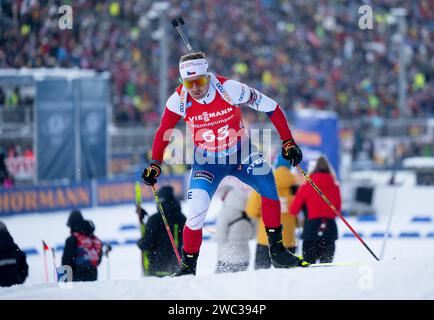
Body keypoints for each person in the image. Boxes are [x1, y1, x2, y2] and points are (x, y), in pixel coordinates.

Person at [141, 51, 308, 276]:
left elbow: (272, 107)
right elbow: (163, 131)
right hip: (207, 161)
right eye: (189, 83)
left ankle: (277, 252)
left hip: (241, 153)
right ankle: (188, 267)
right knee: (196, 209)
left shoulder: (230, 89)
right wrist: (155, 164)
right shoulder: (179, 99)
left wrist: (288, 141)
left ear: (207, 76)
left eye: (199, 81)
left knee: (269, 185)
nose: (195, 88)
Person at [246, 154, 299, 269]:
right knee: (287, 279)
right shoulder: (295, 187)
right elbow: (298, 213)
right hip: (289, 240)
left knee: (260, 276)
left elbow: (251, 210)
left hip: (265, 239)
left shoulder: (265, 182)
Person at [289, 156, 341, 264]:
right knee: (326, 270)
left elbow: (293, 210)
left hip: (311, 231)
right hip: (329, 230)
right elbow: (338, 210)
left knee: (309, 271)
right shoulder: (335, 187)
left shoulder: (306, 187)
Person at [137, 186, 186, 277]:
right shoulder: (182, 218)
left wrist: (139, 243)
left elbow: (147, 244)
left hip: (157, 272)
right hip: (178, 270)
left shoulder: (155, 220)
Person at [215, 186, 255, 273]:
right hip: (245, 259)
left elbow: (219, 238)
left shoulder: (225, 212)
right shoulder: (250, 211)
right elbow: (253, 234)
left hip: (227, 259)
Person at [61, 210, 103, 281]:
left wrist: (63, 282)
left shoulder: (72, 239)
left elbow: (66, 261)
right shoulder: (93, 239)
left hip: (77, 276)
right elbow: (98, 260)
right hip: (93, 275)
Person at [0, 221, 28, 287]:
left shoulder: (14, 247)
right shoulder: (14, 247)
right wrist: (20, 279)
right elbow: (24, 266)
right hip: (17, 285)